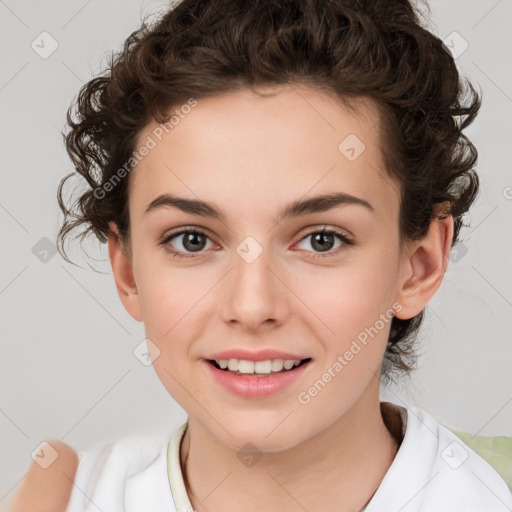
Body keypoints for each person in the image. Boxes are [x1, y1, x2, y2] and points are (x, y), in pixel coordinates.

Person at [9, 0, 512, 511]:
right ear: (128, 271)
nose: (252, 306)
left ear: (419, 265)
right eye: (192, 240)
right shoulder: (60, 498)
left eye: (322, 239)